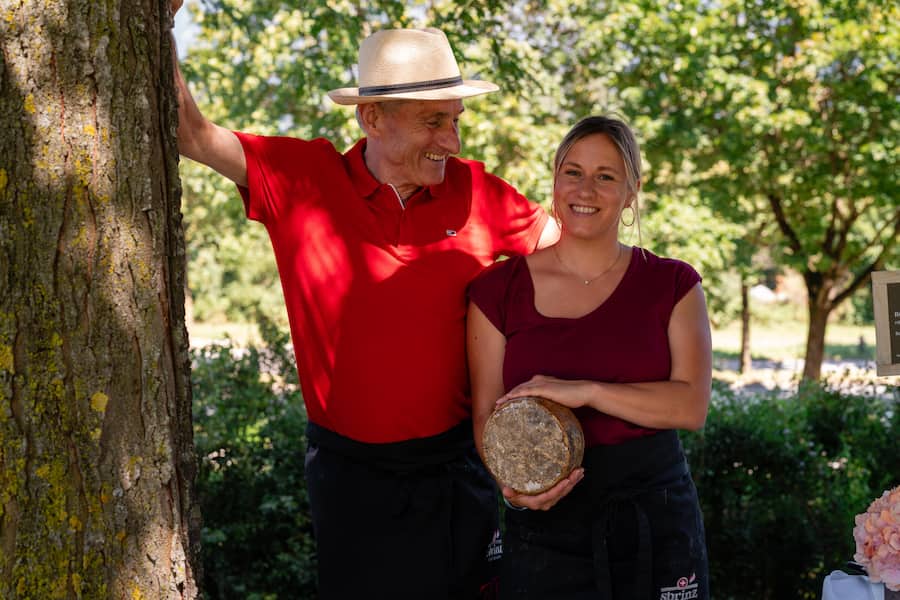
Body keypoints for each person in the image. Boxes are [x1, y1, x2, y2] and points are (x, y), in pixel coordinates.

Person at [169, 3, 558, 598]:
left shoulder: (479, 190)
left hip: (457, 471)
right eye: (433, 122)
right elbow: (189, 133)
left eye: (455, 120)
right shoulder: (302, 177)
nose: (451, 140)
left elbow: (568, 253)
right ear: (373, 118)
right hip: (349, 478)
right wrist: (160, 21)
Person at [467, 115, 711, 599]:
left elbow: (690, 407)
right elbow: (485, 414)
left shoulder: (674, 284)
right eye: (572, 172)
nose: (586, 189)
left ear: (631, 191)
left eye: (606, 176)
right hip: (545, 524)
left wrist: (587, 391)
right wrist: (514, 488)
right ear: (555, 180)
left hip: (655, 519)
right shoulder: (497, 290)